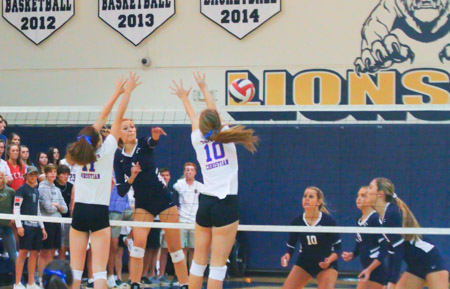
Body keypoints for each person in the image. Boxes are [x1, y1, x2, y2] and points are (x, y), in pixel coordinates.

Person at [171, 72, 259, 289]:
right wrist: (204, 88)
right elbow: (214, 114)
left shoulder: (196, 139)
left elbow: (195, 119)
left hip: (206, 204)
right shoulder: (226, 135)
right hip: (225, 204)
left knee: (198, 262)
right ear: (217, 124)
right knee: (218, 265)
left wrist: (184, 97)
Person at [66, 73, 139, 289]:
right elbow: (116, 117)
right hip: (99, 212)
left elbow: (100, 120)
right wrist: (125, 92)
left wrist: (117, 92)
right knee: (99, 271)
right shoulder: (107, 150)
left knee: (75, 271)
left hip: (79, 211)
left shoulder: (78, 154)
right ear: (100, 138)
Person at [114, 117, 189, 289]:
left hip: (163, 200)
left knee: (175, 247)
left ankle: (185, 284)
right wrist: (132, 177)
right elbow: (121, 190)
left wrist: (155, 136)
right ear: (119, 134)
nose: (131, 130)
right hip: (143, 203)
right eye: (126, 128)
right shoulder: (118, 157)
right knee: (138, 245)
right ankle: (134, 283)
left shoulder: (143, 143)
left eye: (132, 127)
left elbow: (152, 142)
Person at [369, 177, 449, 289]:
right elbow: (392, 251)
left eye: (371, 187)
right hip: (415, 266)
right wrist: (387, 282)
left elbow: (398, 249)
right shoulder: (382, 218)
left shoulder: (392, 212)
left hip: (429, 259)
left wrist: (393, 280)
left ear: (380, 194)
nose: (368, 191)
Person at [280, 187, 341, 289]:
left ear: (319, 202)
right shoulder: (297, 222)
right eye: (305, 196)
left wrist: (329, 260)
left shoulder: (328, 221)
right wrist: (287, 255)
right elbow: (291, 245)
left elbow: (338, 248)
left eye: (311, 196)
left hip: (326, 264)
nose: (306, 199)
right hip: (305, 262)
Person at [342, 186, 387, 289]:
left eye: (363, 196)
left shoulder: (375, 219)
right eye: (358, 195)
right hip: (366, 269)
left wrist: (370, 269)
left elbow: (384, 249)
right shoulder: (359, 219)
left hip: (376, 271)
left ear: (372, 199)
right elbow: (360, 244)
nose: (359, 198)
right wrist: (352, 254)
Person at [13, 166, 48, 289]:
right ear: (26, 176)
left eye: (35, 175)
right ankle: (17, 283)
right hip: (25, 226)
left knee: (34, 254)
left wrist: (42, 227)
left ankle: (31, 283)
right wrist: (19, 226)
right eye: (31, 174)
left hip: (36, 226)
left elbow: (37, 210)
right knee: (23, 253)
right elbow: (16, 208)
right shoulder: (21, 190)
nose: (33, 177)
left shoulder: (36, 190)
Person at [38, 164, 68, 285]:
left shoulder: (56, 189)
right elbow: (48, 209)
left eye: (55, 172)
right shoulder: (42, 187)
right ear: (45, 173)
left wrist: (57, 205)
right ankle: (40, 278)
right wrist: (57, 206)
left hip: (57, 223)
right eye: (50, 172)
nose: (53, 174)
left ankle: (48, 278)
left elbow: (65, 209)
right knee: (44, 252)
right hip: (47, 222)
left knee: (52, 252)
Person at [174, 162, 203, 268]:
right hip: (182, 221)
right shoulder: (178, 185)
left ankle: (192, 274)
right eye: (187, 170)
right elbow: (174, 199)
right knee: (182, 249)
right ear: (184, 172)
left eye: (191, 170)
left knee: (193, 249)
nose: (189, 172)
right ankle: (181, 275)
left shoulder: (200, 186)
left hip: (194, 222)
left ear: (195, 172)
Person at [158, 167, 179, 286]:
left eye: (167, 175)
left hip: (168, 224)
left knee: (166, 250)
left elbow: (176, 208)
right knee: (154, 250)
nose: (165, 177)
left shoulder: (172, 191)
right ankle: (154, 274)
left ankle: (163, 274)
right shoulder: (155, 189)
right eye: (163, 175)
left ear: (170, 177)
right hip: (155, 223)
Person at [0, 171, 17, 283]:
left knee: (13, 255)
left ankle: (18, 280)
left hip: (7, 227)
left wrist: (14, 218)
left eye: (1, 177)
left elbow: (16, 207)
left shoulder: (10, 191)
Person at [54, 164, 74, 260]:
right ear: (57, 175)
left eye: (67, 174)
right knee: (51, 248)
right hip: (54, 219)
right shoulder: (52, 185)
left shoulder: (71, 186)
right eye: (63, 174)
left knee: (64, 247)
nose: (66, 176)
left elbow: (72, 204)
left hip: (66, 220)